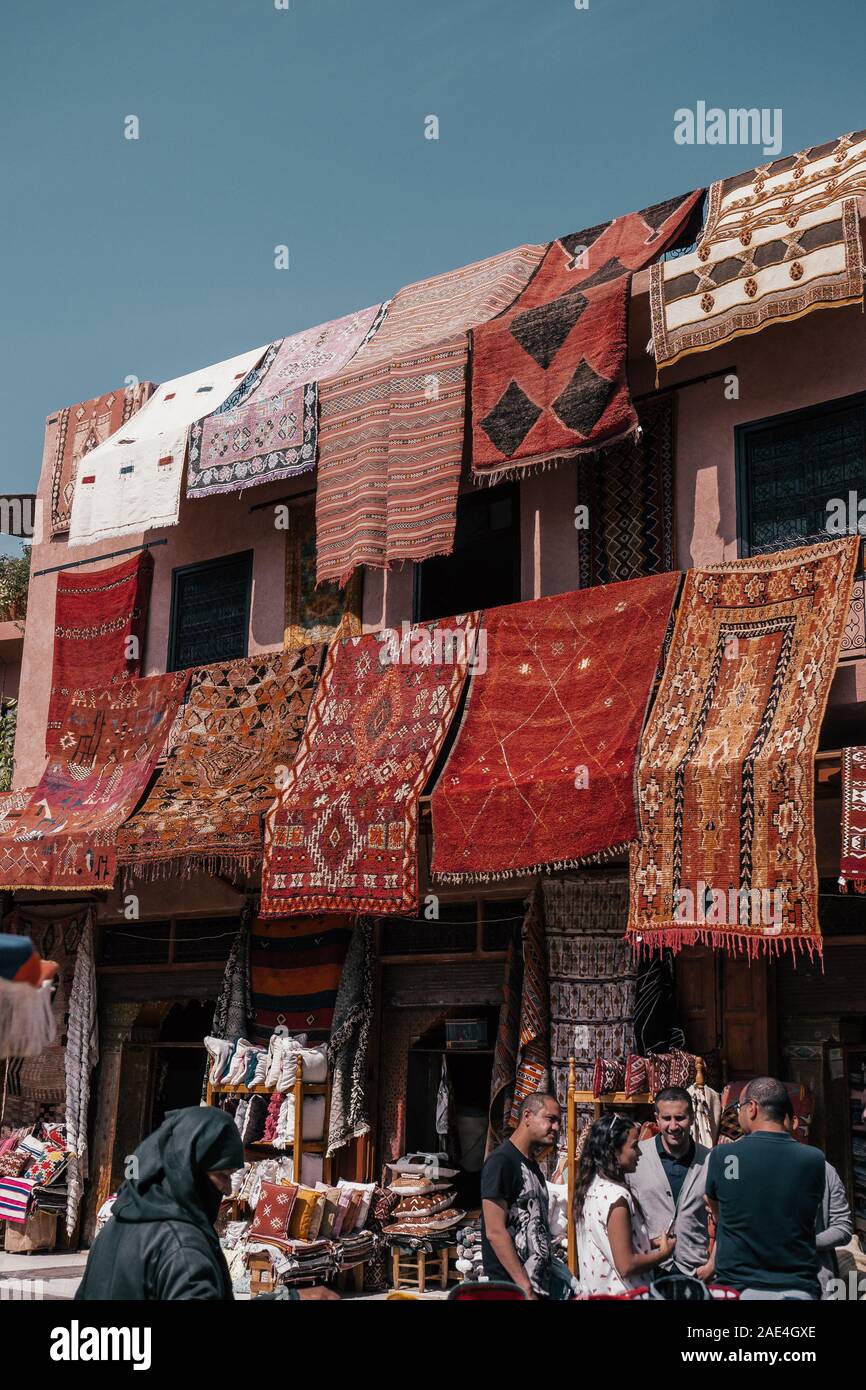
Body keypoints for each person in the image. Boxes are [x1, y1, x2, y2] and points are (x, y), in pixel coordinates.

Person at [76, 1106, 337, 1300]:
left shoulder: (115, 1226)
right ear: (186, 1169)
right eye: (221, 1176)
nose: (226, 1189)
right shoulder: (182, 1248)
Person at [705, 1075, 825, 1300]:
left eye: (738, 1107)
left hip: (736, 1288)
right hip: (797, 1287)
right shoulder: (813, 1160)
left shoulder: (724, 1156)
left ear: (752, 1108)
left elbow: (714, 1205)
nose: (737, 1114)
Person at [574, 1111, 675, 1296]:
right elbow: (626, 1265)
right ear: (613, 1150)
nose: (639, 1152)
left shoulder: (592, 1187)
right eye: (634, 1146)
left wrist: (648, 1243)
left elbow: (611, 1243)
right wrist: (663, 1254)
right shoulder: (616, 1197)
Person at [627, 1086, 714, 1281]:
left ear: (691, 1117)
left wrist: (713, 1264)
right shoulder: (637, 1157)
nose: (673, 1126)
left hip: (694, 1271)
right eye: (667, 1118)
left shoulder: (709, 1160)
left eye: (680, 1118)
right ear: (656, 1118)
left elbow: (726, 1217)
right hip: (648, 1269)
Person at [480, 1092, 560, 1299]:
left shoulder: (532, 1166)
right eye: (550, 1119)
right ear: (527, 1116)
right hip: (510, 1289)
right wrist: (524, 1286)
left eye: (558, 1121)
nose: (556, 1128)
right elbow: (495, 1231)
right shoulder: (501, 1162)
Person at [781, 1098, 854, 1297]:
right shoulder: (750, 1168)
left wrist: (807, 1242)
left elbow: (843, 1228)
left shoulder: (821, 1168)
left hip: (814, 1279)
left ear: (794, 1122)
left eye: (777, 1120)